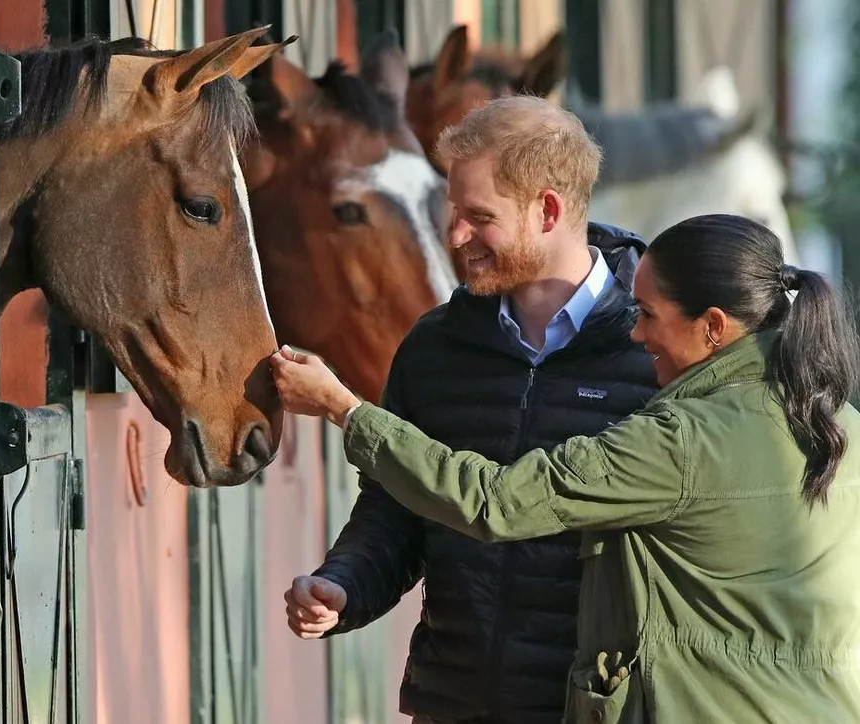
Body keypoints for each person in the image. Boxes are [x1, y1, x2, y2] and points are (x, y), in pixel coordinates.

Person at [271, 213, 860, 724]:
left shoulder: (682, 440)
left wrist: (344, 409)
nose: (636, 333)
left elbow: (495, 502)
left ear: (712, 327)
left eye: (649, 315)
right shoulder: (841, 421)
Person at [281, 95, 658, 724]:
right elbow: (393, 511)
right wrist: (342, 586)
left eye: (477, 216)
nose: (455, 237)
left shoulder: (652, 353)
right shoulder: (434, 345)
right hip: (452, 704)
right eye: (451, 212)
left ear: (549, 210)